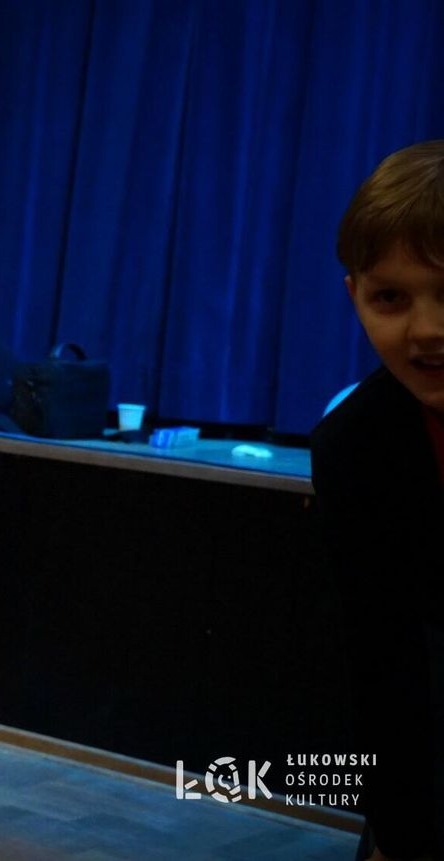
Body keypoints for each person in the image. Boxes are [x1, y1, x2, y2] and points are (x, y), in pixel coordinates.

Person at [312, 140, 444, 861]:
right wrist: (396, 833)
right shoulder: (355, 445)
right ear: (353, 296)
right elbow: (382, 667)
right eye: (391, 298)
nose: (427, 331)